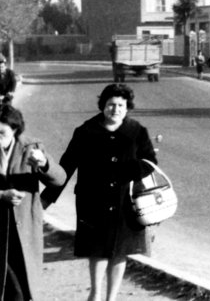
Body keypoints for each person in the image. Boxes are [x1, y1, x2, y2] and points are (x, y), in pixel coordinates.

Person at [42, 84, 157, 301]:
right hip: (93, 201)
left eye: (121, 105)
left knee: (120, 250)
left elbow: (150, 162)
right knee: (98, 249)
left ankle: (111, 298)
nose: (115, 109)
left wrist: (127, 169)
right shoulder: (85, 132)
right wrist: (45, 200)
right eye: (111, 105)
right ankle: (95, 294)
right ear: (102, 106)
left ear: (127, 107)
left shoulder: (137, 131)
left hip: (125, 202)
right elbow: (66, 168)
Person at [0, 104, 66, 301]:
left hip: (23, 231)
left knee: (22, 284)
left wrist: (44, 164)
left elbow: (60, 179)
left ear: (15, 130)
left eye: (2, 133)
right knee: (11, 290)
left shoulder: (31, 147)